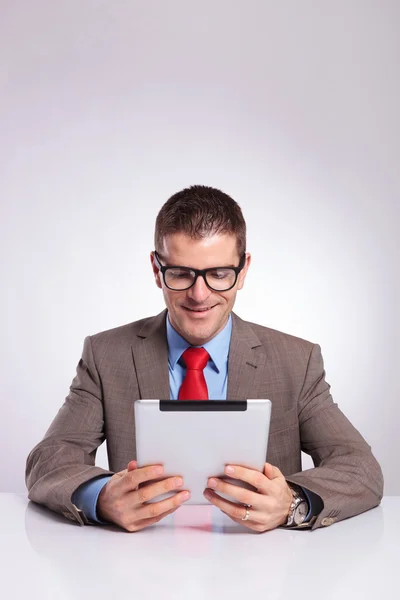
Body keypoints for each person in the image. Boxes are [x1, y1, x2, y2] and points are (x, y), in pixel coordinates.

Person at [25, 185, 383, 532]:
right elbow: (50, 460)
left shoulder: (296, 361)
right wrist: (101, 497)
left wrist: (291, 502)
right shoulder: (106, 355)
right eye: (180, 273)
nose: (200, 294)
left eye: (219, 274)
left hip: (264, 571)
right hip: (139, 570)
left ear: (242, 271)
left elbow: (360, 469)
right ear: (156, 269)